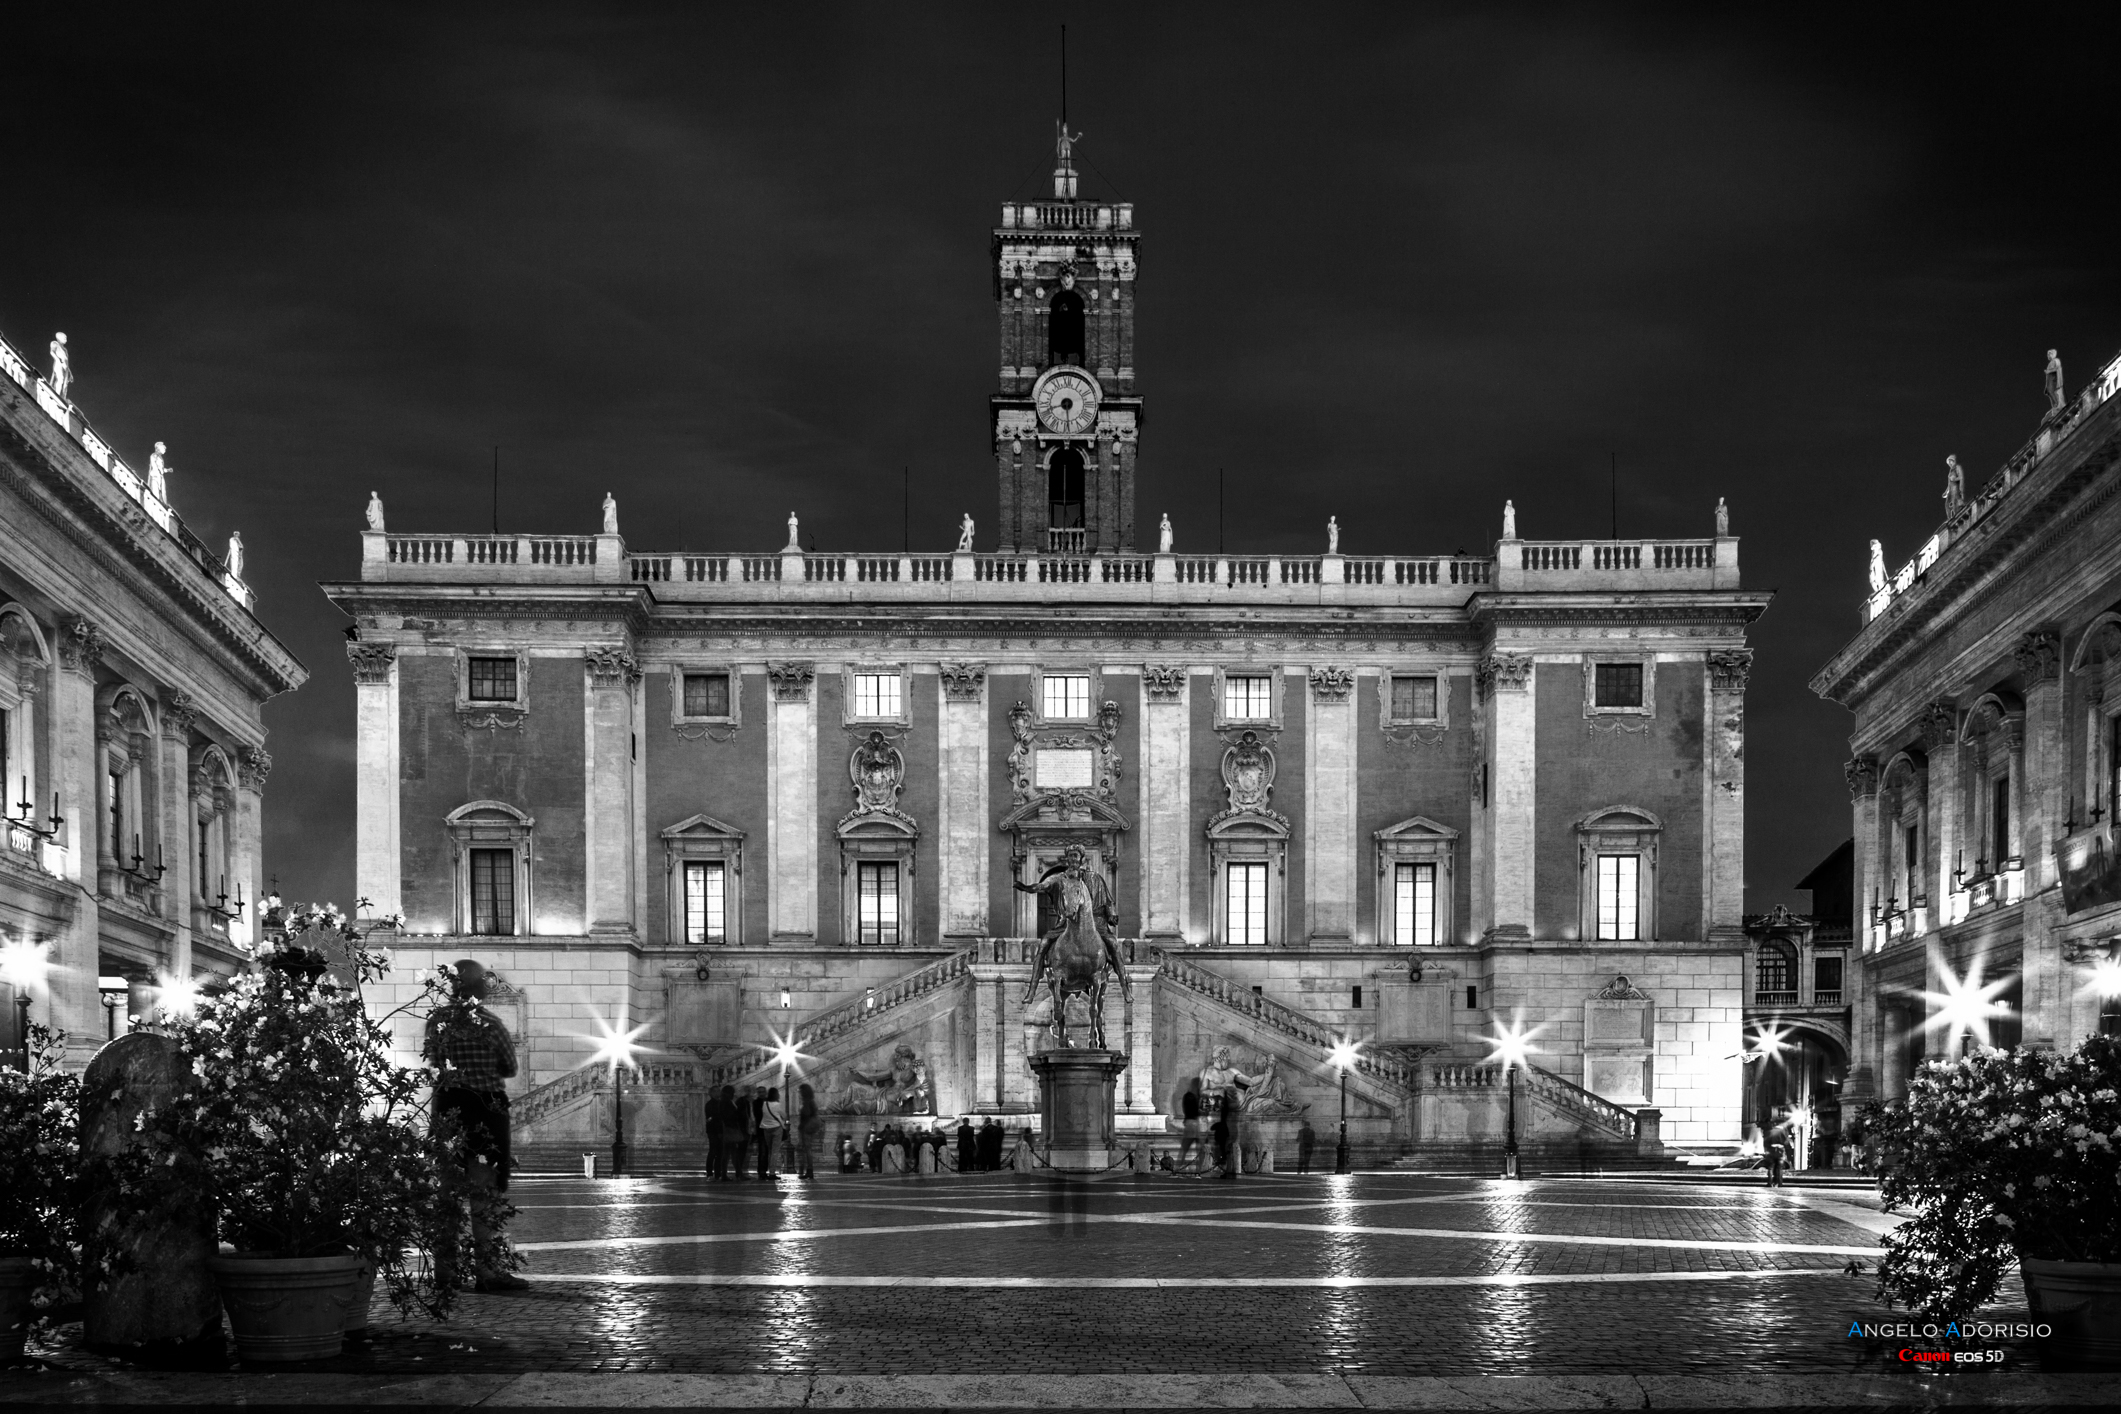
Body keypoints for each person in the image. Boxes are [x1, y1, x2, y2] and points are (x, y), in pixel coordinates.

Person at [422, 960, 528, 1292]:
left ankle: (445, 1273)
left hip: (448, 1109)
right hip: (485, 1111)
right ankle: (488, 1272)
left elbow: (432, 1059)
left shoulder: (436, 1021)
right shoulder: (491, 1024)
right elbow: (509, 1067)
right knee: (485, 1196)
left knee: (448, 1196)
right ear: (478, 989)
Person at [720, 1085, 750, 1181]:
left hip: (729, 1129)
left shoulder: (725, 1102)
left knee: (731, 1153)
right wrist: (737, 1114)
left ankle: (735, 1174)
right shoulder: (726, 1103)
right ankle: (734, 1174)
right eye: (732, 1092)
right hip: (730, 1130)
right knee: (730, 1154)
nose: (734, 1094)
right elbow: (729, 1116)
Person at [756, 1086, 785, 1179]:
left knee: (769, 1151)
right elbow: (784, 1115)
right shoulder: (777, 1105)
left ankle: (767, 1171)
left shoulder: (765, 1104)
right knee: (774, 1152)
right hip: (776, 1128)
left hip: (766, 1129)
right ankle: (772, 1172)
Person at [796, 1083, 820, 1180]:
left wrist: (801, 1127)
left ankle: (807, 1170)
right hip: (809, 1127)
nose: (799, 1093)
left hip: (805, 1128)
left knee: (806, 1149)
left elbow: (806, 1114)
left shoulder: (807, 1102)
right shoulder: (811, 1101)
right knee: (807, 1149)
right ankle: (808, 1170)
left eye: (800, 1091)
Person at [704, 1084, 728, 1180]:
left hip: (719, 1131)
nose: (719, 1092)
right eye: (716, 1091)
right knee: (713, 1152)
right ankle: (710, 1173)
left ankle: (718, 1173)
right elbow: (712, 1119)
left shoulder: (719, 1103)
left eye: (719, 1090)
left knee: (719, 1153)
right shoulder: (710, 1104)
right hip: (713, 1131)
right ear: (712, 1093)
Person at [1211, 1098, 1236, 1180]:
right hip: (1224, 1133)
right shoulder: (1224, 1114)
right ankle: (1226, 1171)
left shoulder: (1224, 1114)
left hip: (1223, 1133)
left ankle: (1226, 1171)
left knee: (1224, 1153)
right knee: (1224, 1153)